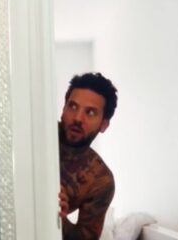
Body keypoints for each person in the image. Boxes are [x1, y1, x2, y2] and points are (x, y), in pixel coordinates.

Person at [58, 72, 117, 240]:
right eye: (73, 106)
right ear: (63, 109)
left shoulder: (100, 180)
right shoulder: (36, 136)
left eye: (90, 112)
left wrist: (59, 219)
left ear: (104, 125)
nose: (78, 118)